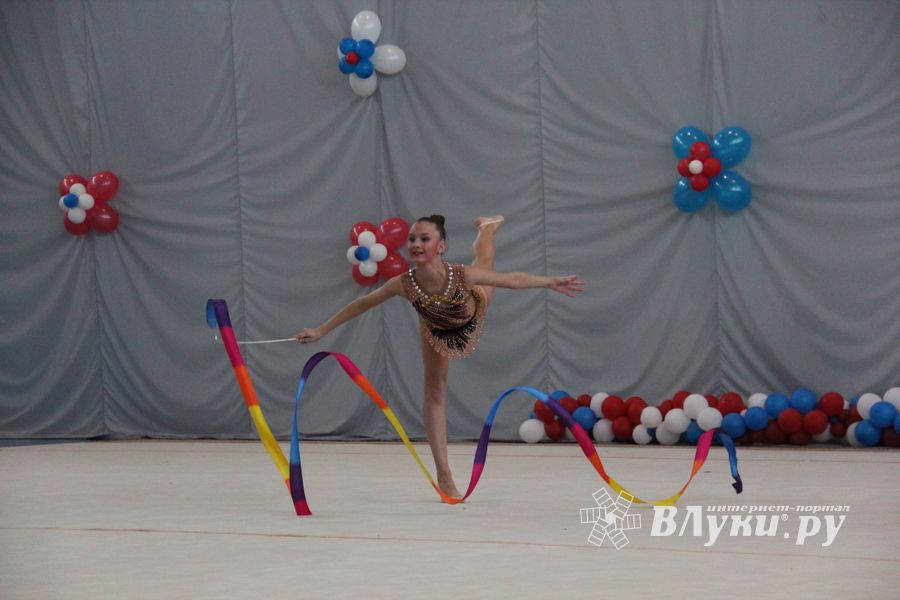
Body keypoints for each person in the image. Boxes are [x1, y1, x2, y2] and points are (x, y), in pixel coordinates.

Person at [296, 215, 584, 499]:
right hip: (434, 329)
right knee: (434, 393)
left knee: (483, 262)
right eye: (412, 239)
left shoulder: (460, 274)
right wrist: (322, 329)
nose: (416, 244)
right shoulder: (403, 283)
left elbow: (512, 279)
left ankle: (487, 230)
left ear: (441, 246)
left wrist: (550, 282)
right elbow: (362, 303)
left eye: (424, 239)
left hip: (471, 309)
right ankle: (444, 475)